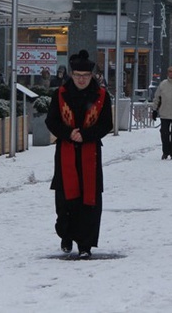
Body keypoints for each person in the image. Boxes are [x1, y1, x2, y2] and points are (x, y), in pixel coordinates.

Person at [45, 50, 113, 259]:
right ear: (71, 75)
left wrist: (86, 135)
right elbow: (51, 121)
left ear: (91, 76)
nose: (81, 79)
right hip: (65, 150)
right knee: (65, 199)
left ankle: (85, 244)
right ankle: (66, 235)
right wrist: (69, 133)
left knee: (89, 200)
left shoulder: (102, 96)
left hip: (90, 153)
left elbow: (106, 124)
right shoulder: (60, 94)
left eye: (85, 76)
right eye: (77, 75)